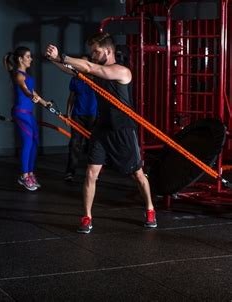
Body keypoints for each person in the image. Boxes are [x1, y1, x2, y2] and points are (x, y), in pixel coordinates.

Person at [45, 32, 157, 233]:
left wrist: (62, 55)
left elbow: (89, 66)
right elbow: (73, 71)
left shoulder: (122, 71)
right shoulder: (96, 73)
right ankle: (87, 216)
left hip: (122, 130)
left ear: (108, 51)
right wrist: (54, 60)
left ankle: (150, 208)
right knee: (90, 173)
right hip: (102, 128)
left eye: (95, 52)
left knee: (138, 175)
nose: (93, 55)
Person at [3, 46, 51, 191]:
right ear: (20, 59)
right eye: (28, 56)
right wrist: (31, 97)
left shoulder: (26, 75)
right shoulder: (18, 75)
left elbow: (32, 91)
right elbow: (25, 90)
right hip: (20, 112)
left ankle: (30, 174)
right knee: (28, 142)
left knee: (35, 142)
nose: (31, 59)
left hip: (28, 114)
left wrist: (44, 103)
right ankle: (24, 176)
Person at [64, 55, 98, 182]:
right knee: (74, 144)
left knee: (93, 146)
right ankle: (70, 172)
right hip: (78, 115)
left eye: (84, 62)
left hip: (94, 116)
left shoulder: (95, 78)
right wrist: (68, 114)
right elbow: (71, 98)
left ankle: (93, 173)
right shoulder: (75, 79)